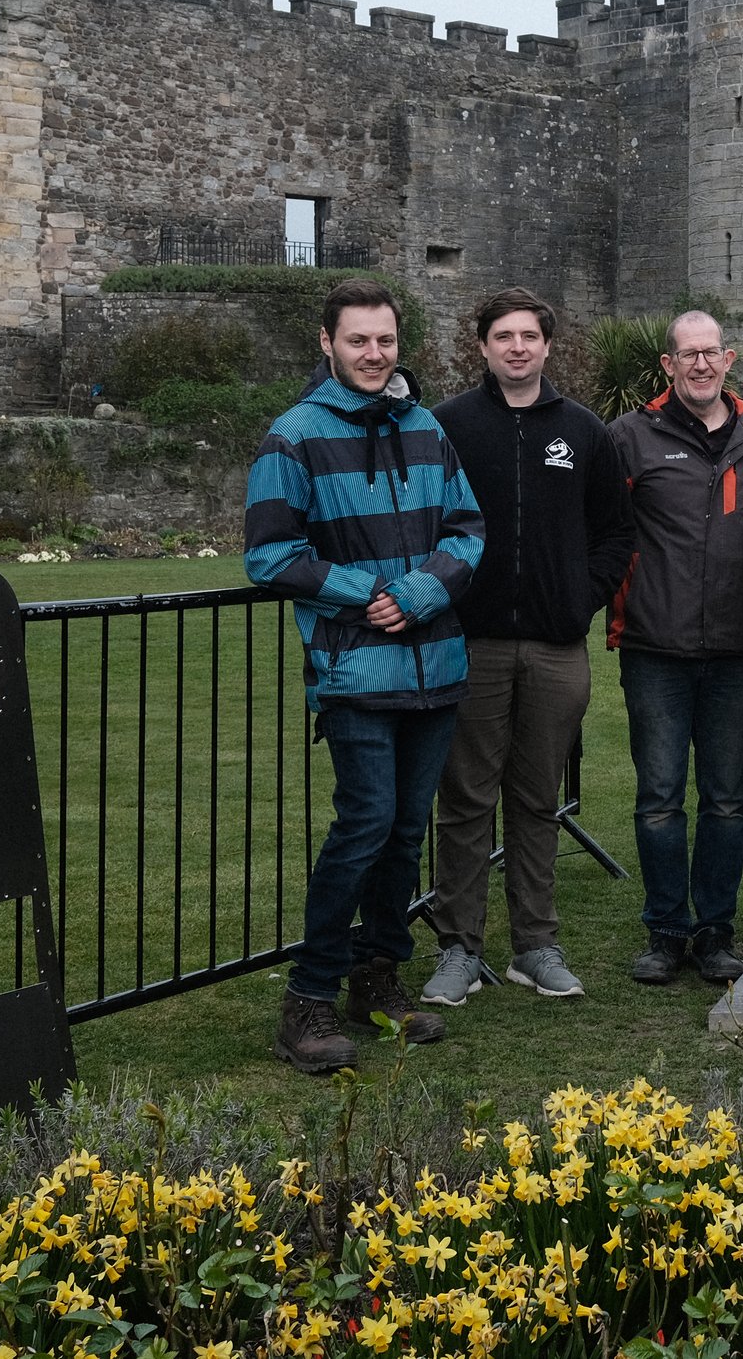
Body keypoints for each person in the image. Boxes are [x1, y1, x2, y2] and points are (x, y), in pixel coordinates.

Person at [245, 278, 484, 1073]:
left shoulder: (426, 426)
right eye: (358, 340)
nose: (374, 354)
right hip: (355, 670)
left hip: (436, 664)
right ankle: (307, 997)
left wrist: (417, 594)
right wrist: (370, 596)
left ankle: (377, 977)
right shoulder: (294, 437)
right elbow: (269, 553)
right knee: (364, 826)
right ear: (327, 343)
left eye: (385, 340)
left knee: (404, 831)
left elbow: (468, 528)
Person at [418, 290, 631, 1007]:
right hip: (468, 644)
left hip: (554, 646)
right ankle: (459, 948)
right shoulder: (446, 425)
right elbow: (423, 525)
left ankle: (535, 946)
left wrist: (580, 596)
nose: (516, 346)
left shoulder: (583, 430)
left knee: (538, 800)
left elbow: (615, 533)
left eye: (529, 336)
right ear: (482, 346)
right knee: (466, 799)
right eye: (502, 335)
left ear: (547, 345)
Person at [608, 311, 743, 987]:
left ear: (729, 358)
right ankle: (666, 929)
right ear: (668, 365)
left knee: (725, 798)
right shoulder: (629, 437)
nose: (701, 365)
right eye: (688, 355)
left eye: (711, 353)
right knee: (658, 796)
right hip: (654, 644)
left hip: (737, 647)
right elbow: (608, 531)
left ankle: (715, 932)